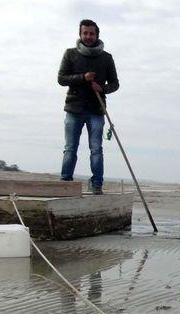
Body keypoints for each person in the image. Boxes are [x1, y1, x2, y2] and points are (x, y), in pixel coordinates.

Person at [57, 19, 119, 194]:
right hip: (73, 109)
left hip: (96, 110)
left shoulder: (107, 58)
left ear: (97, 35)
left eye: (91, 33)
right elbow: (61, 78)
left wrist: (103, 88)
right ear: (80, 34)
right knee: (70, 148)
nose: (88, 36)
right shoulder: (70, 54)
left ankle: (96, 184)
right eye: (85, 33)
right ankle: (65, 183)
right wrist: (82, 78)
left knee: (96, 149)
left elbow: (115, 83)